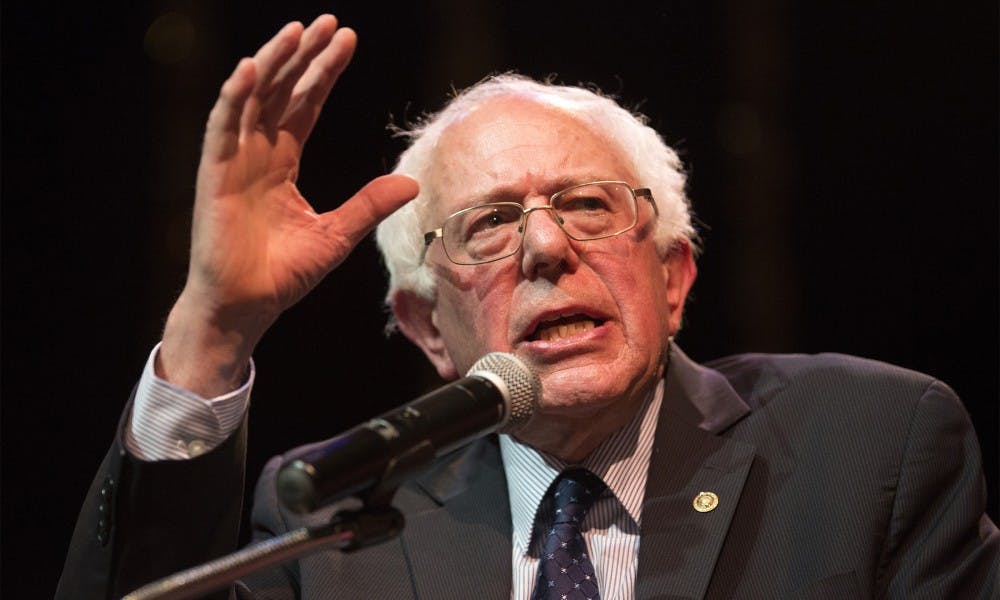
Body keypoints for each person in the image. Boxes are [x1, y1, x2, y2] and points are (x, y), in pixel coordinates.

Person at [58, 14, 998, 599]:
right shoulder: (333, 524)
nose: (547, 247)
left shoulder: (869, 446)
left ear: (673, 277)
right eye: (490, 224)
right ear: (428, 327)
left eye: (587, 204)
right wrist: (214, 331)